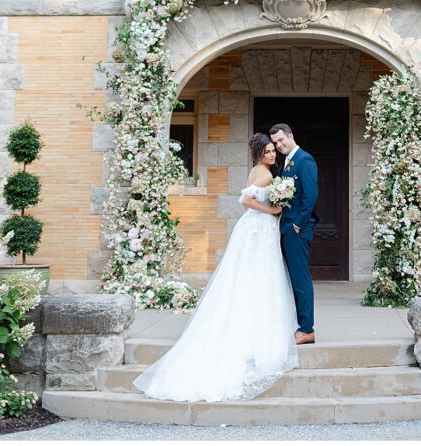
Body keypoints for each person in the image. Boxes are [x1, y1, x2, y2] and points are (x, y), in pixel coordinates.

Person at [132, 134, 299, 402]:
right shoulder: (265, 175)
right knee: (260, 275)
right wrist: (272, 211)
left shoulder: (258, 171)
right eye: (268, 151)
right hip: (259, 225)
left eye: (273, 151)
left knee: (253, 275)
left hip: (254, 227)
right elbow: (246, 201)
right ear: (259, 153)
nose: (273, 155)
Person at [269, 123, 319, 345]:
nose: (279, 145)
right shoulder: (286, 164)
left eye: (281, 140)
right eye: (276, 143)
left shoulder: (305, 160)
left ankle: (307, 329)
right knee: (290, 279)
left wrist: (297, 225)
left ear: (291, 135)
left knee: (301, 280)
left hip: (297, 230)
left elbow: (310, 196)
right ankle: (297, 323)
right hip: (286, 228)